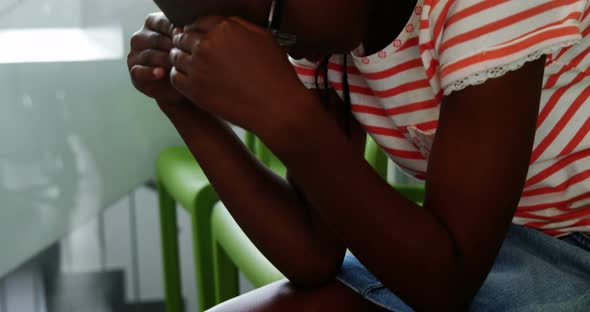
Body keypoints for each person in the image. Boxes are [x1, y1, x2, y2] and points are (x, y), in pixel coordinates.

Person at [127, 0, 590, 310]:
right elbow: (311, 253)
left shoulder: (488, 8)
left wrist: (286, 114)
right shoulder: (322, 33)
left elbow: (448, 285)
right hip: (480, 251)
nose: (267, 51)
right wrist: (182, 105)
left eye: (265, 27)